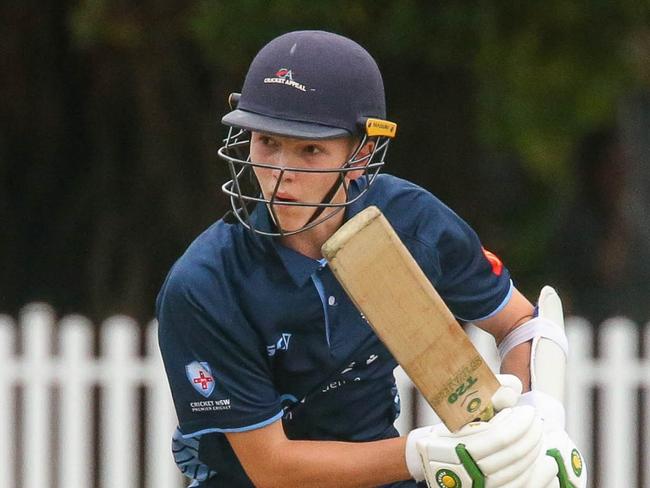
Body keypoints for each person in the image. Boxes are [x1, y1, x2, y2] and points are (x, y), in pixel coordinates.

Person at [157, 30, 585, 487]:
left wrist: (535, 425)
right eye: (267, 142)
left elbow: (523, 324)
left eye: (310, 149)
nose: (281, 174)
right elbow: (273, 468)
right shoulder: (204, 285)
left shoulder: (409, 221)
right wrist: (424, 453)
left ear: (361, 152)